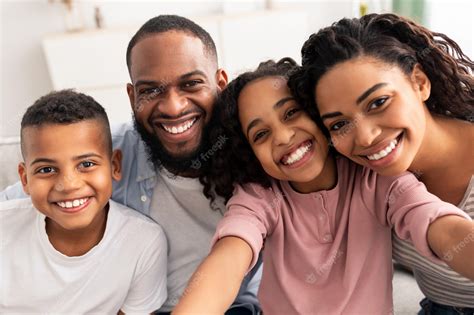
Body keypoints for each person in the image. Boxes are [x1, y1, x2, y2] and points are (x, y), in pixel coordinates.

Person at [0, 15, 261, 314]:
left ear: (220, 84)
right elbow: (28, 196)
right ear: (131, 95)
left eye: (191, 84)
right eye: (151, 90)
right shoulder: (99, 156)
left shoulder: (255, 153)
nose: (173, 107)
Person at [173, 58, 474, 314]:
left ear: (320, 115)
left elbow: (437, 223)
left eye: (291, 113)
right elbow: (229, 259)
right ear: (250, 154)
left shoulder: (374, 178)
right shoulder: (260, 195)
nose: (282, 137)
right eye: (261, 134)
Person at [289, 13, 474, 314]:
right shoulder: (363, 178)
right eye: (339, 125)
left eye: (378, 103)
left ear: (419, 82)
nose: (365, 137)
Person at [0, 90, 167, 313]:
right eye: (47, 169)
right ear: (25, 178)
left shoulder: (143, 242)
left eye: (86, 164)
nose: (68, 184)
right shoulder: (5, 227)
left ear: (114, 166)